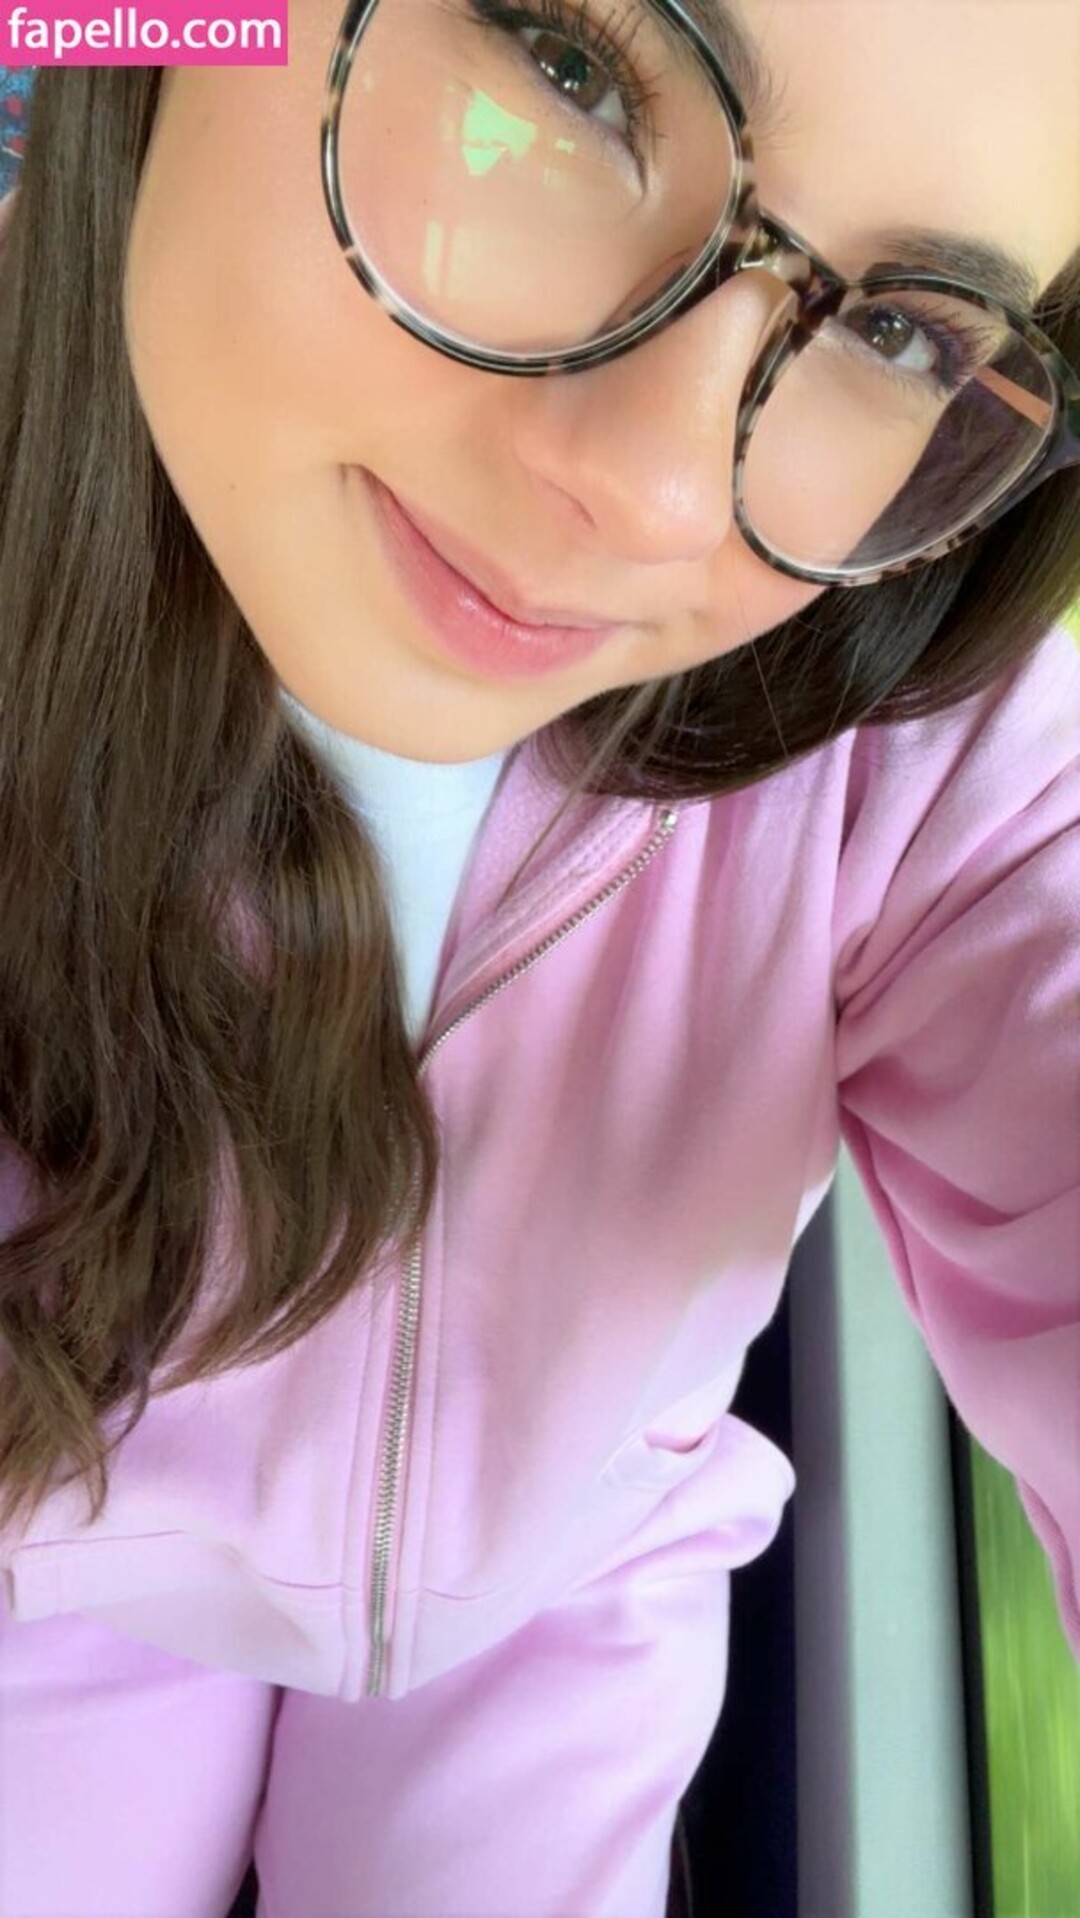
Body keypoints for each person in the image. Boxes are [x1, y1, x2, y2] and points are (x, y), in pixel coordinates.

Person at [0, 3, 1078, 1912]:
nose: (660, 491)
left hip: (559, 1583)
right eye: (570, 68)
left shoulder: (912, 750)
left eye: (906, 332)